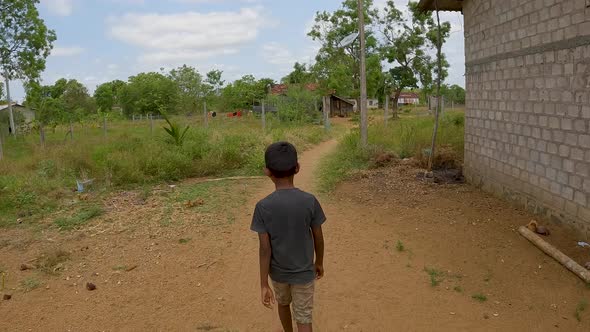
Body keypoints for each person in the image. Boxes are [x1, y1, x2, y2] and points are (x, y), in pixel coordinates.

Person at [251, 142, 326, 332]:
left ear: (267, 171)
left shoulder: (262, 206)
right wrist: (319, 262)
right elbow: (318, 236)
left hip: (278, 274)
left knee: (283, 305)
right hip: (304, 273)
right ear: (298, 168)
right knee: (304, 316)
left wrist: (263, 284)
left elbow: (265, 249)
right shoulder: (309, 201)